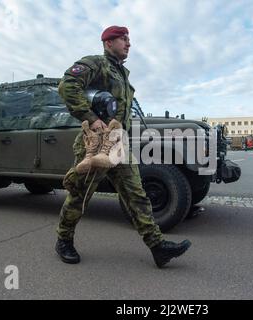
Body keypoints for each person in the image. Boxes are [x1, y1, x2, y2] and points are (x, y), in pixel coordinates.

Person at [55, 26, 191, 268]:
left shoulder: (122, 74)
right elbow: (67, 85)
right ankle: (63, 239)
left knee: (137, 195)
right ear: (108, 43)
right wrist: (91, 118)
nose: (129, 43)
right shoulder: (97, 64)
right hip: (97, 145)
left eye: (129, 39)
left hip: (119, 145)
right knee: (80, 195)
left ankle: (157, 247)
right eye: (123, 39)